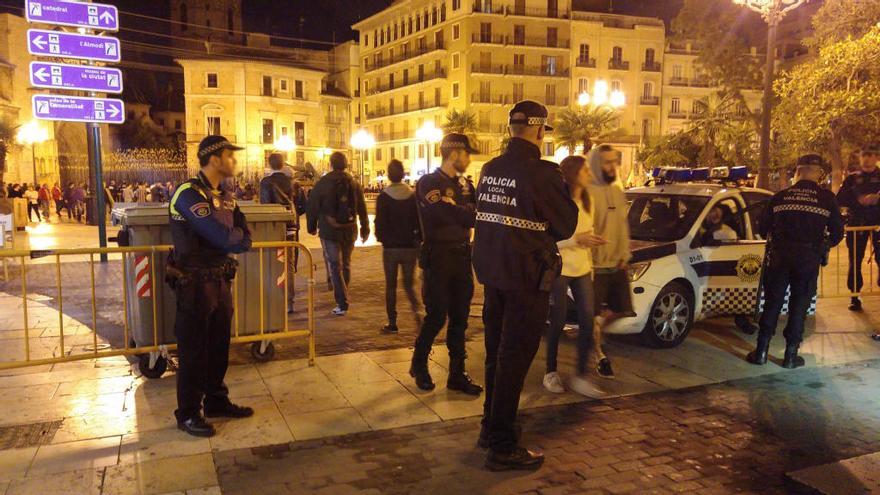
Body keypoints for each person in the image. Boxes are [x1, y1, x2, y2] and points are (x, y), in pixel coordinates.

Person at [472, 100, 578, 471]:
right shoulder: (543, 174)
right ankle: (501, 445)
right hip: (526, 278)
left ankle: (490, 426)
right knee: (514, 360)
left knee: (495, 354)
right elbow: (566, 225)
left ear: (510, 129)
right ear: (538, 129)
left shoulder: (489, 168)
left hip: (492, 275)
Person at [167, 135, 254, 437]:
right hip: (194, 284)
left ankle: (216, 400)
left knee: (219, 347)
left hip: (220, 280)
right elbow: (220, 236)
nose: (235, 161)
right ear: (215, 158)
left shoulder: (226, 195)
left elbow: (246, 236)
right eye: (231, 155)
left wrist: (236, 236)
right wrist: (235, 236)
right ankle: (188, 413)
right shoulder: (187, 194)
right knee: (193, 350)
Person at [747, 154, 844, 369]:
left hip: (780, 257)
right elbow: (838, 232)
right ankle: (791, 356)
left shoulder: (780, 197)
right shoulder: (826, 199)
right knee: (799, 305)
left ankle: (761, 351)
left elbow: (763, 228)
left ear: (798, 172)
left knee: (773, 302)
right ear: (818, 173)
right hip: (808, 259)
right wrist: (821, 246)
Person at [409, 134, 482, 396]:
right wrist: (460, 211)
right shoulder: (429, 182)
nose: (469, 159)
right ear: (454, 154)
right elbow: (440, 213)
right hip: (438, 257)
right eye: (466, 154)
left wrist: (458, 210)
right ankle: (419, 364)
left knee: (460, 317)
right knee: (437, 315)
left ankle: (457, 374)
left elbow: (475, 216)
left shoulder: (465, 185)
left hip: (462, 256)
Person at [543, 155, 607, 396]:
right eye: (585, 171)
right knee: (557, 321)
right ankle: (550, 372)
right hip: (561, 268)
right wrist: (576, 240)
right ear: (573, 174)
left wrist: (593, 241)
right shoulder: (559, 203)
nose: (590, 174)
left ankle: (581, 375)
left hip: (582, 268)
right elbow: (549, 242)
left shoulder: (589, 201)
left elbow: (586, 233)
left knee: (588, 321)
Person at [586, 144, 631, 378]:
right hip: (595, 266)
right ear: (596, 163)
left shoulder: (616, 190)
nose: (612, 166)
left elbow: (622, 225)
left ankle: (594, 334)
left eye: (614, 161)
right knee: (594, 315)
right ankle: (599, 355)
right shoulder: (588, 192)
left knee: (620, 309)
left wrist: (625, 254)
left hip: (617, 264)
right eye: (606, 162)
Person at [306, 152, 369, 316]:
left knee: (335, 266)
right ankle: (343, 298)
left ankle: (342, 302)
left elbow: (312, 206)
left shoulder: (322, 183)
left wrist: (311, 226)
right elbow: (362, 207)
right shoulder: (354, 183)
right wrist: (365, 227)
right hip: (350, 229)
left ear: (331, 164)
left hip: (330, 230)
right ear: (346, 164)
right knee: (346, 264)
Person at [374, 158, 421, 334]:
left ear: (388, 175)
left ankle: (392, 322)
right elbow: (419, 222)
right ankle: (418, 313)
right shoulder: (412, 196)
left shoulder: (383, 197)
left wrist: (383, 238)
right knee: (410, 285)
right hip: (410, 247)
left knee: (391, 286)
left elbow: (379, 224)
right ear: (403, 175)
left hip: (391, 248)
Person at [836, 143, 880, 312]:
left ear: (876, 158)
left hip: (878, 224)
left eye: (871, 155)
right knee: (855, 261)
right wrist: (859, 200)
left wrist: (876, 200)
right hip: (858, 224)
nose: (867, 158)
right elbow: (840, 200)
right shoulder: (852, 179)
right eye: (864, 155)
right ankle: (854, 296)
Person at [260, 153, 305, 313]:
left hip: (274, 225)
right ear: (283, 163)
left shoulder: (266, 182)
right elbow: (301, 204)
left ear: (269, 164)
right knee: (289, 264)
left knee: (273, 262)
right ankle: (289, 302)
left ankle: (274, 298)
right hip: (291, 226)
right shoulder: (292, 182)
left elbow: (265, 206)